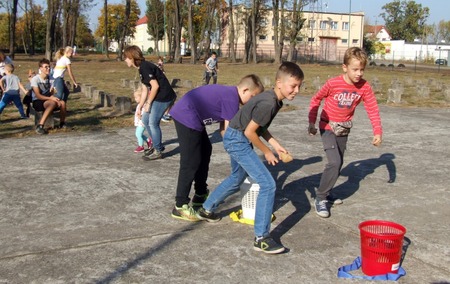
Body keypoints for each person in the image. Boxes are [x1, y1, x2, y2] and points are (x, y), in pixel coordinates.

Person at [196, 62, 304, 254]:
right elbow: (250, 132)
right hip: (238, 139)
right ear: (279, 82)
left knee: (237, 178)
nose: (296, 90)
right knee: (268, 184)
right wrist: (267, 151)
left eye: (299, 86)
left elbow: (259, 126)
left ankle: (207, 208)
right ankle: (261, 238)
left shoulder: (274, 99)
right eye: (293, 85)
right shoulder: (269, 102)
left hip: (236, 137)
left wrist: (275, 144)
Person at [170, 74, 265, 221]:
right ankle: (180, 205)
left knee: (205, 150)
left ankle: (200, 194)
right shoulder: (231, 98)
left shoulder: (230, 97)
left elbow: (224, 130)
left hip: (192, 116)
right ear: (245, 90)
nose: (252, 102)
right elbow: (231, 133)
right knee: (191, 162)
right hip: (186, 115)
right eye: (253, 97)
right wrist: (241, 152)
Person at [307, 47, 382, 218]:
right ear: (344, 67)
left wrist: (377, 131)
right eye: (355, 69)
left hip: (344, 128)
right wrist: (312, 121)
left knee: (339, 163)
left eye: (362, 69)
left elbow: (372, 108)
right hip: (327, 126)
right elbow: (316, 99)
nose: (359, 73)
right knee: (334, 162)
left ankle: (328, 191)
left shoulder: (364, 87)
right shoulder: (333, 83)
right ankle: (320, 198)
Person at [123, 45, 176, 160]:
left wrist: (148, 103)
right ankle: (155, 146)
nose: (125, 60)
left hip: (164, 97)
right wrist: (141, 106)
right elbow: (145, 89)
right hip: (157, 96)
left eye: (126, 57)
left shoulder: (145, 67)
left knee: (153, 123)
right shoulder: (141, 69)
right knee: (145, 120)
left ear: (131, 57)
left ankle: (158, 150)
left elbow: (155, 86)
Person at [31, 58, 67, 134]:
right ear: (40, 68)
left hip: (48, 99)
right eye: (46, 67)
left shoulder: (51, 79)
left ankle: (62, 123)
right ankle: (40, 125)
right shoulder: (35, 79)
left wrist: (54, 95)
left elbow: (52, 93)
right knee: (52, 103)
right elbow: (37, 95)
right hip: (38, 101)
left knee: (63, 103)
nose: (48, 68)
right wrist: (51, 98)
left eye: (49, 67)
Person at [133, 88, 152, 153]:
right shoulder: (139, 105)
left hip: (142, 122)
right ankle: (148, 140)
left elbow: (145, 114)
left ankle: (141, 146)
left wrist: (140, 116)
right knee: (139, 134)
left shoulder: (144, 105)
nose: (135, 99)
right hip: (139, 122)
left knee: (138, 134)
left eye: (136, 97)